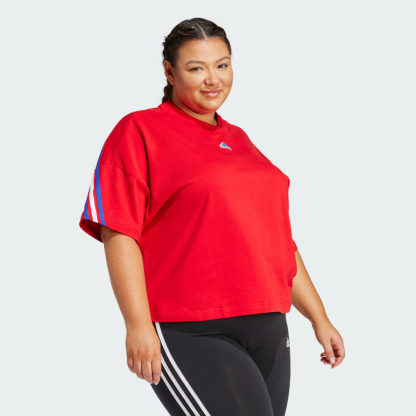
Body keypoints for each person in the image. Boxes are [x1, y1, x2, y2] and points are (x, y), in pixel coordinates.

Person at [79, 17, 345, 416]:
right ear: (170, 72)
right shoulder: (139, 131)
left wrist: (319, 318)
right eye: (196, 68)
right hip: (191, 328)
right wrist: (137, 324)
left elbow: (277, 242)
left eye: (222, 65)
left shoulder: (239, 141)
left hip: (268, 324)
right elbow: (119, 232)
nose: (213, 79)